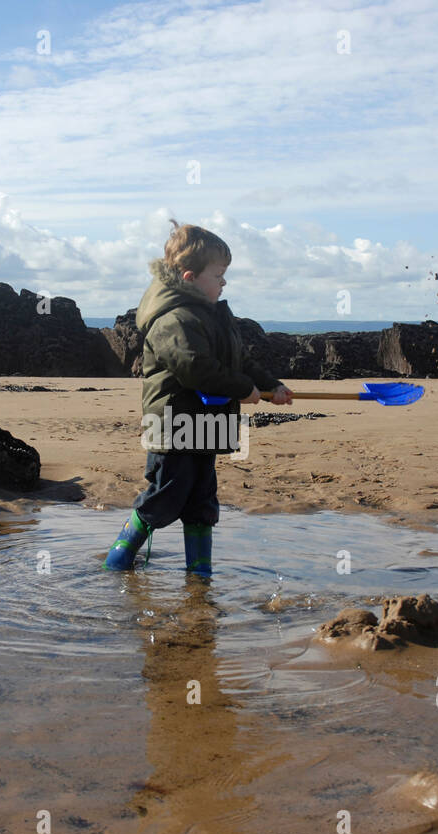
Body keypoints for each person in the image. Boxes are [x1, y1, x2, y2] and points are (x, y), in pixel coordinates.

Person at [103, 219, 292, 575]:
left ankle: (199, 575)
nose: (224, 282)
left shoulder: (213, 316)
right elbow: (194, 368)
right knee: (165, 495)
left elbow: (241, 361)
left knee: (202, 499)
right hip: (174, 424)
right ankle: (118, 559)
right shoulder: (173, 319)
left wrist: (271, 387)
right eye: (218, 275)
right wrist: (242, 389)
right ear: (190, 277)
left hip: (208, 423)